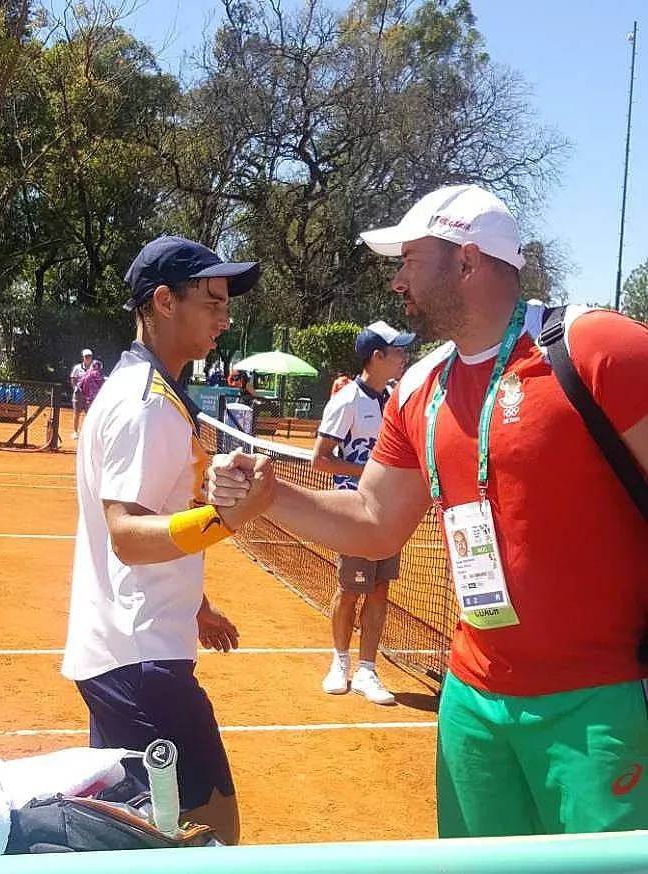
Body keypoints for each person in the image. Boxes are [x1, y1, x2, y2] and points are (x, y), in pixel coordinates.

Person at [208, 184, 648, 839]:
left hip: (600, 704)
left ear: (466, 262)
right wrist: (271, 496)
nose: (396, 281)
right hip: (470, 704)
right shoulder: (419, 387)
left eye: (410, 260)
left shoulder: (597, 349)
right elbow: (374, 519)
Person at [61, 234, 266, 846]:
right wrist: (227, 520)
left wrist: (196, 606)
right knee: (211, 831)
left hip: (130, 651)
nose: (224, 317)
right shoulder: (145, 405)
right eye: (211, 301)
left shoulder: (151, 392)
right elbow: (127, 535)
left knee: (138, 835)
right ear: (163, 302)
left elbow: (150, 518)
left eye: (226, 303)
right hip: (141, 661)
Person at [314, 321, 412, 705]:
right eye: (398, 352)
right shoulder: (346, 400)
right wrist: (368, 473)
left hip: (390, 512)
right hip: (354, 511)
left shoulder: (394, 399)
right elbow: (321, 460)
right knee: (350, 590)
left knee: (380, 589)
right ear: (377, 357)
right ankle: (339, 662)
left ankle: (368, 669)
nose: (403, 358)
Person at [70, 348, 93, 439]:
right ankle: (75, 432)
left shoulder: (94, 368)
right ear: (83, 357)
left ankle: (87, 432)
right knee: (77, 413)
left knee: (89, 414)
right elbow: (73, 378)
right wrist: (75, 388)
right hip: (78, 394)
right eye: (86, 356)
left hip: (89, 395)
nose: (88, 358)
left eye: (89, 356)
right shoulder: (77, 368)